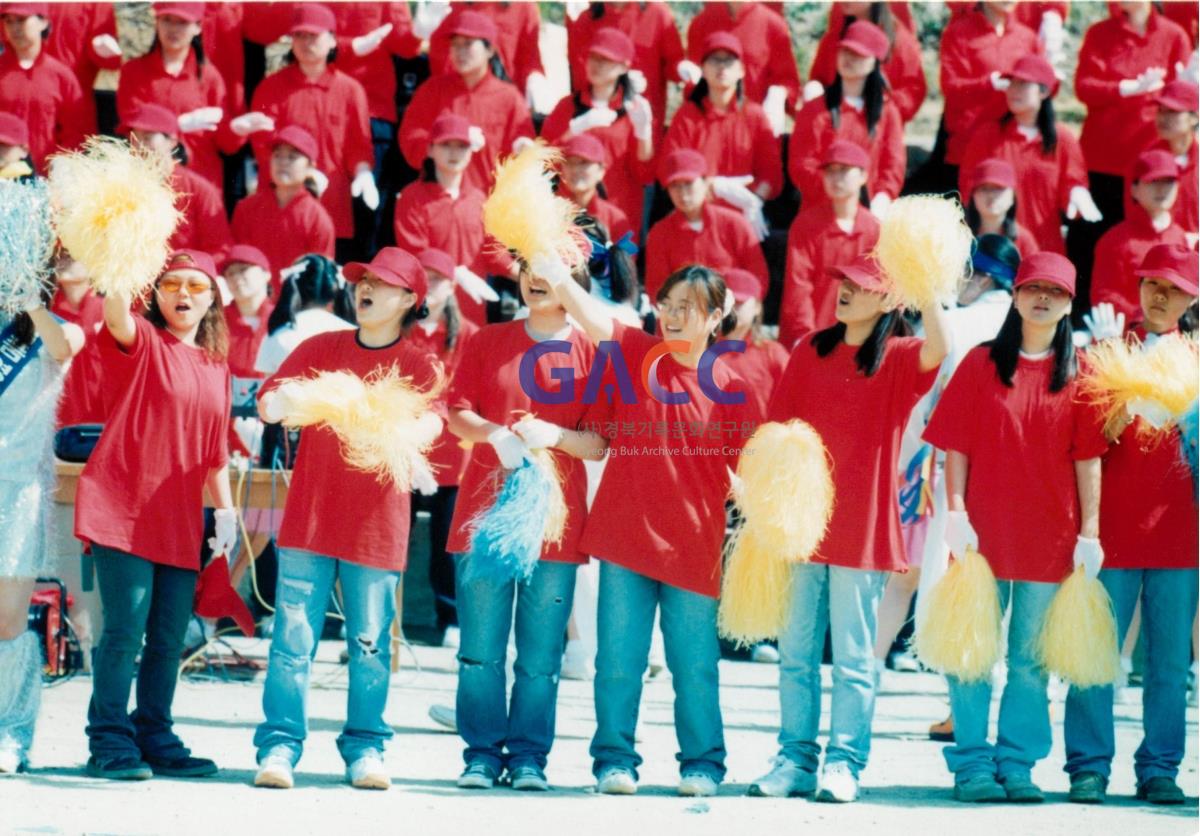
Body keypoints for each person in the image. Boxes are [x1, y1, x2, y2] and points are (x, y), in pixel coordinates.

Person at [536, 260, 744, 797]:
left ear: (715, 319)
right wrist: (555, 273)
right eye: (667, 305)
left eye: (687, 309)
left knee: (694, 668)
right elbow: (590, 315)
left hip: (695, 548)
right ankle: (614, 760)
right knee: (618, 663)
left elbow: (744, 471)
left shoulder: (733, 385)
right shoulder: (635, 355)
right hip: (626, 539)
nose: (672, 316)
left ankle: (702, 764)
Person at [752, 255, 947, 804]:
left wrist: (925, 286)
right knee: (795, 651)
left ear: (888, 301)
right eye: (844, 283)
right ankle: (793, 759)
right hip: (800, 523)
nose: (845, 292)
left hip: (860, 524)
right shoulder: (808, 349)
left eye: (861, 288)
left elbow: (942, 344)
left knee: (856, 656)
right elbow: (776, 430)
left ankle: (844, 761)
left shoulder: (901, 356)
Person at [251, 248, 441, 792]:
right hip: (309, 520)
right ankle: (280, 745)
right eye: (362, 281)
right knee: (292, 639)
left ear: (409, 300)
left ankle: (365, 747)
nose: (366, 289)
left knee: (371, 643)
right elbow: (268, 404)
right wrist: (285, 399)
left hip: (376, 525)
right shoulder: (320, 348)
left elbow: (433, 426)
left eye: (382, 283)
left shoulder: (420, 366)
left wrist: (407, 431)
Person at [922, 252, 1107, 804]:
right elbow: (957, 444)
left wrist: (1090, 532)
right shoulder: (980, 364)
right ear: (1017, 294)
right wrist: (955, 511)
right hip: (979, 538)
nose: (1043, 298)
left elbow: (1088, 459)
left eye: (1056, 291)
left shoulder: (1083, 374)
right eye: (1033, 288)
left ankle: (1017, 764)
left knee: (1030, 662)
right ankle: (972, 763)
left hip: (1050, 541)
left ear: (1071, 304)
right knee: (971, 652)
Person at [442, 236, 606, 792]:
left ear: (575, 278)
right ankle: (482, 755)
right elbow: (456, 413)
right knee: (480, 649)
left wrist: (556, 436)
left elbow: (600, 442)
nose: (537, 277)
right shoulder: (488, 339)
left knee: (540, 656)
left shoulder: (591, 350)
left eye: (553, 269)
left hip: (555, 523)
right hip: (484, 512)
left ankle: (530, 756)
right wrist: (494, 436)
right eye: (529, 267)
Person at [76, 249, 236, 780]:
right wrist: (125, 250)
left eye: (195, 285)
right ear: (155, 293)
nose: (183, 294)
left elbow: (215, 454)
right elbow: (116, 314)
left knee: (170, 635)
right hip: (122, 504)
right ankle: (108, 739)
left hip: (180, 517)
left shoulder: (217, 366)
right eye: (172, 285)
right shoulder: (143, 341)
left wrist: (228, 515)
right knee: (125, 630)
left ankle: (154, 732)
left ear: (213, 297)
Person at [1064, 243, 1199, 806]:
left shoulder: (1197, 360)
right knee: (1096, 653)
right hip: (1112, 529)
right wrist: (1123, 410)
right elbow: (1082, 442)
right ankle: (1089, 766)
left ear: (1193, 298)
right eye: (1152, 285)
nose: (1160, 296)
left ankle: (1161, 767)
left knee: (1169, 662)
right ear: (1140, 288)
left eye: (1174, 288)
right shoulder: (1105, 356)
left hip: (1179, 533)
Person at [0, 283, 85, 774]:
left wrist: (30, 302)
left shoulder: (56, 329)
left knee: (9, 623)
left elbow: (62, 347)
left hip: (19, 491)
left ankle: (11, 734)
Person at [1069, 1, 1192, 307]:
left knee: (1144, 243)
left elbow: (1181, 95)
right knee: (1093, 240)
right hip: (1102, 157)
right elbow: (1084, 88)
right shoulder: (1100, 33)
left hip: (1149, 162)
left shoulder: (1173, 35)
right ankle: (1084, 314)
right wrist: (1125, 88)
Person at [241, 3, 376, 260]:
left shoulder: (350, 90)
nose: (306, 42)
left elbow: (359, 145)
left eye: (314, 36)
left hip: (333, 205)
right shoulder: (271, 88)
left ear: (333, 40)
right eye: (299, 35)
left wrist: (363, 172)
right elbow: (263, 147)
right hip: (281, 206)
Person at [403, 248, 479, 646]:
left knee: (448, 542)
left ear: (452, 286)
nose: (430, 288)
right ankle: (388, 614)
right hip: (406, 449)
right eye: (424, 279)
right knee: (396, 533)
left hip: (453, 453)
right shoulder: (400, 327)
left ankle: (450, 616)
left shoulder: (468, 334)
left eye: (438, 280)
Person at [959, 54, 1093, 255]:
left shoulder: (1062, 139)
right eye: (1011, 83)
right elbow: (968, 185)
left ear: (1044, 91)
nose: (1014, 90)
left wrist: (1076, 195)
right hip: (996, 247)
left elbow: (1073, 184)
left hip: (1044, 245)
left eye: (1023, 84)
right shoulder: (988, 135)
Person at [393, 111, 513, 326]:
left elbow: (493, 251)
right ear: (430, 149)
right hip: (430, 309)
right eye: (446, 144)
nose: (454, 153)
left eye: (461, 146)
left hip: (472, 310)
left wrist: (524, 275)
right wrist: (454, 273)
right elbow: (414, 253)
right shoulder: (412, 198)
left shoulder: (479, 199)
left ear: (471, 151)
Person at [399, 10, 535, 196]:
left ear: (490, 50)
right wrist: (441, 143)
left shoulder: (509, 98)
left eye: (468, 44)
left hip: (492, 206)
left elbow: (523, 149)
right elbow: (410, 137)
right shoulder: (433, 90)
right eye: (455, 45)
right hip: (439, 199)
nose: (460, 52)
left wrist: (524, 149)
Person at [662, 31, 780, 240]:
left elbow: (771, 174)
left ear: (742, 70)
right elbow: (669, 167)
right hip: (697, 214)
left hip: (744, 215)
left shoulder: (754, 116)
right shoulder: (688, 115)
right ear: (703, 69)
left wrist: (754, 201)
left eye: (729, 60)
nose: (722, 67)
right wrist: (709, 187)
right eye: (714, 60)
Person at [541, 27, 655, 240]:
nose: (597, 65)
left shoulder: (635, 109)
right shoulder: (567, 107)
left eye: (606, 60)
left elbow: (644, 173)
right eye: (593, 57)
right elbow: (543, 161)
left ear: (624, 66)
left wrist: (644, 132)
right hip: (566, 212)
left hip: (617, 212)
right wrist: (572, 130)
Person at [116, 1, 240, 193]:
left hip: (200, 180)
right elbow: (132, 124)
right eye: (167, 20)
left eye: (182, 22)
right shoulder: (134, 72)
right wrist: (179, 124)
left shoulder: (209, 77)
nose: (173, 29)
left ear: (198, 27)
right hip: (150, 181)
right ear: (156, 22)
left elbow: (227, 143)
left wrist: (236, 130)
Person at [789, 20, 904, 218]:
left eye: (858, 54)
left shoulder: (887, 112)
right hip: (820, 211)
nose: (849, 59)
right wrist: (840, 193)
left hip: (869, 213)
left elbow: (893, 164)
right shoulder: (815, 109)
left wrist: (883, 196)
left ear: (874, 62)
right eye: (845, 51)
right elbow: (802, 164)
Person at [780, 140, 880, 348]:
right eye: (829, 171)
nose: (836, 178)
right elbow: (798, 285)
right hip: (811, 337)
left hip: (858, 340)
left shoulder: (875, 229)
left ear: (863, 175)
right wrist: (805, 335)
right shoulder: (806, 225)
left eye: (843, 170)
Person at [938, 2, 1040, 189]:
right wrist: (987, 84)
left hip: (1013, 146)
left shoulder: (1027, 37)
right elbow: (951, 88)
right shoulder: (958, 33)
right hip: (970, 143)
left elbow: (1042, 88)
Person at [644, 148, 767, 298]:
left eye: (689, 183)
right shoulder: (660, 233)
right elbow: (656, 288)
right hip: (683, 314)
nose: (682, 193)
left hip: (730, 311)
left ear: (705, 182)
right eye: (674, 185)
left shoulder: (734, 224)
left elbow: (758, 278)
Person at [121, 102, 233, 260]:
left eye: (147, 138)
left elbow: (219, 250)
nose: (139, 147)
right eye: (133, 139)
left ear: (172, 141)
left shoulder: (199, 190)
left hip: (184, 279)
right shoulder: (121, 186)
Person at [230, 124, 335, 290]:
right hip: (254, 302)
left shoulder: (317, 218)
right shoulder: (247, 208)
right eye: (277, 155)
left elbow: (321, 276)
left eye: (292, 157)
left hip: (296, 304)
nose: (283, 162)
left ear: (310, 167)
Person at [1091, 149, 1189, 323]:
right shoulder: (1116, 240)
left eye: (1169, 181)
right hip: (1129, 335)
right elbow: (1104, 296)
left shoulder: (1180, 237)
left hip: (1171, 337)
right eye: (1153, 181)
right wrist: (1146, 319)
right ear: (1134, 189)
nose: (1162, 189)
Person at [564, 1, 687, 133]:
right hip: (600, 121)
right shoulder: (588, 18)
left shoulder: (657, 13)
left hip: (644, 123)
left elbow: (673, 67)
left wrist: (683, 68)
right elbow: (579, 76)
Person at [685, 2, 801, 136]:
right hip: (710, 127)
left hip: (754, 130)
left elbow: (788, 81)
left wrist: (778, 95)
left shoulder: (773, 25)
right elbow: (693, 83)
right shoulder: (701, 23)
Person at [0, 2, 87, 172]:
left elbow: (76, 133)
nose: (15, 28)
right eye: (8, 21)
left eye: (21, 20)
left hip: (46, 182)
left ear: (44, 22)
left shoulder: (61, 76)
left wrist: (61, 170)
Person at [808, 2, 926, 125]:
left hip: (879, 128)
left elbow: (913, 90)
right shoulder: (833, 38)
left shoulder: (900, 40)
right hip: (833, 125)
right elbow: (818, 81)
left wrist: (883, 107)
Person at [1131, 80, 1199, 237]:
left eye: (1173, 111)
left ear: (1194, 117)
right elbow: (1133, 215)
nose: (1163, 118)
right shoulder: (1146, 160)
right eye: (1161, 110)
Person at [555, 133, 634, 245]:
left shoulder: (614, 219)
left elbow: (625, 260)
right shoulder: (549, 212)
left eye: (584, 162)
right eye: (570, 163)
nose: (575, 170)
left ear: (601, 171)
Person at [962, 159, 1039, 259]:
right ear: (973, 196)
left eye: (998, 188)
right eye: (984, 188)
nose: (991, 195)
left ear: (1012, 197)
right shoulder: (960, 236)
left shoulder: (1023, 240)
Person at [221, 244, 274, 381]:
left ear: (266, 274)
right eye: (230, 273)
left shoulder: (284, 319)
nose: (236, 278)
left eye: (243, 269)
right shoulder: (216, 321)